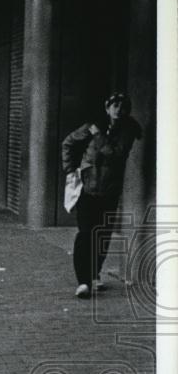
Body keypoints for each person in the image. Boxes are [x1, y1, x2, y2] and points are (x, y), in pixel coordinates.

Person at [61, 91, 142, 299]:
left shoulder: (128, 131)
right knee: (85, 234)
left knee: (103, 235)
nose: (119, 110)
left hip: (109, 192)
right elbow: (68, 143)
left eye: (123, 107)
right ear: (107, 108)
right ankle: (83, 282)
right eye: (115, 106)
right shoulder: (91, 126)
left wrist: (98, 136)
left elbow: (116, 154)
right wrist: (70, 170)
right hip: (87, 189)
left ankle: (94, 273)